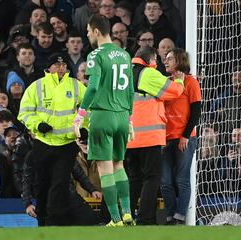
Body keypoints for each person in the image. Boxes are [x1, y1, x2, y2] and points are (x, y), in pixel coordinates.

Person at [74, 13, 134, 227]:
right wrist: (130, 120)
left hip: (102, 115)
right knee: (119, 165)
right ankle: (127, 213)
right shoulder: (124, 54)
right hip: (122, 115)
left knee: (105, 168)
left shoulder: (95, 54)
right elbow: (130, 90)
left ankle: (116, 220)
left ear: (96, 31)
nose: (88, 35)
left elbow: (93, 86)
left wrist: (80, 114)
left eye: (89, 31)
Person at [18, 52, 87, 226]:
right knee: (43, 183)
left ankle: (57, 222)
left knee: (60, 183)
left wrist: (84, 127)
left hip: (67, 143)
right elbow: (24, 112)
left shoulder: (76, 85)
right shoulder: (37, 86)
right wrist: (37, 124)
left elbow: (89, 109)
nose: (61, 68)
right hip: (44, 142)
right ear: (48, 68)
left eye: (64, 65)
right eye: (57, 65)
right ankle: (42, 219)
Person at [126, 46, 184, 225]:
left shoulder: (125, 73)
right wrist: (180, 81)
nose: (157, 64)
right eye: (155, 61)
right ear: (150, 60)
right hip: (148, 136)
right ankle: (145, 219)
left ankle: (126, 216)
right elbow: (173, 91)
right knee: (152, 178)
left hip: (129, 137)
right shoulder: (148, 74)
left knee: (133, 179)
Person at [161, 48, 202, 225]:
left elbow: (196, 112)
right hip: (165, 138)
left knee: (181, 179)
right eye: (166, 58)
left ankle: (180, 217)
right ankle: (170, 216)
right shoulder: (165, 82)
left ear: (179, 60)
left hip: (184, 138)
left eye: (170, 58)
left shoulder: (191, 82)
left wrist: (185, 136)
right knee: (165, 181)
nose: (166, 61)